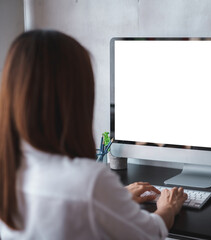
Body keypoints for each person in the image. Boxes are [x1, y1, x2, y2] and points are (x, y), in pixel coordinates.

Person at [0, 30, 187, 239]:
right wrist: (167, 207)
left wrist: (111, 201)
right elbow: (150, 233)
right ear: (76, 98)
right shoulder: (89, 183)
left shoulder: (9, 170)